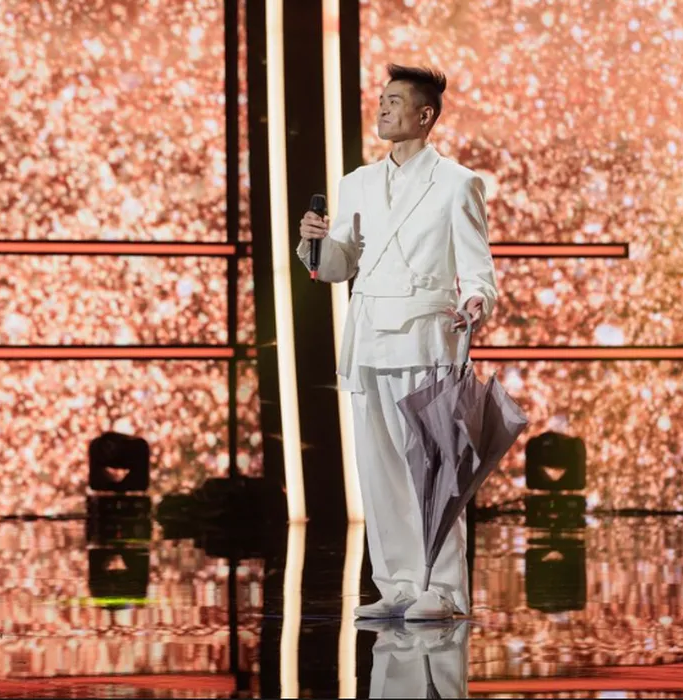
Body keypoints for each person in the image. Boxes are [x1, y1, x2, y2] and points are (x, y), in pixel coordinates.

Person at [297, 64, 498, 621]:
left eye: (394, 101)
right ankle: (398, 586)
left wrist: (476, 302)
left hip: (427, 336)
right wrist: (315, 245)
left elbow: (478, 272)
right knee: (379, 469)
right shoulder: (357, 183)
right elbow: (339, 267)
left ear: (425, 114)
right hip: (367, 339)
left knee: (432, 470)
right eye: (381, 100)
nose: (383, 109)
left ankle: (444, 588)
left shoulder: (457, 182)